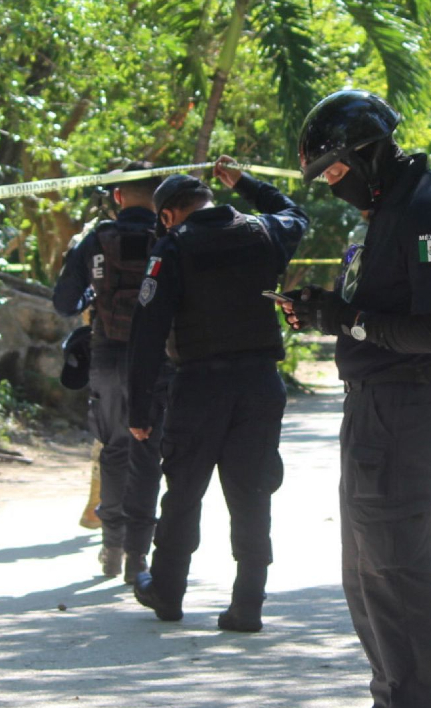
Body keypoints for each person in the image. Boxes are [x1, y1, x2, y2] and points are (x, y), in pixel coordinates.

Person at [283, 89, 431, 708]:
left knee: (401, 573)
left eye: (334, 172)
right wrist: (331, 313)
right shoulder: (383, 210)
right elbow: (375, 305)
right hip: (372, 407)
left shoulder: (425, 209)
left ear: (364, 151)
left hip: (407, 407)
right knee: (366, 576)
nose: (332, 188)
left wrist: (349, 320)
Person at [127, 156, 308, 633]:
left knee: (184, 491)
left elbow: (148, 331)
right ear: (210, 199)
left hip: (200, 387)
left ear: (167, 214)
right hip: (260, 385)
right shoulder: (265, 230)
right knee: (252, 493)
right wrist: (246, 182)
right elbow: (296, 213)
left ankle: (167, 591)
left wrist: (139, 407)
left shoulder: (173, 247)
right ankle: (248, 603)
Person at [52, 161, 169, 583]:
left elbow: (65, 303)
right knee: (151, 454)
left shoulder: (96, 240)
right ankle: (141, 555)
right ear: (161, 197)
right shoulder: (171, 237)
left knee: (115, 451)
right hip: (162, 360)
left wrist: (93, 291)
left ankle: (113, 547)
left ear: (117, 197)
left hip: (110, 357)